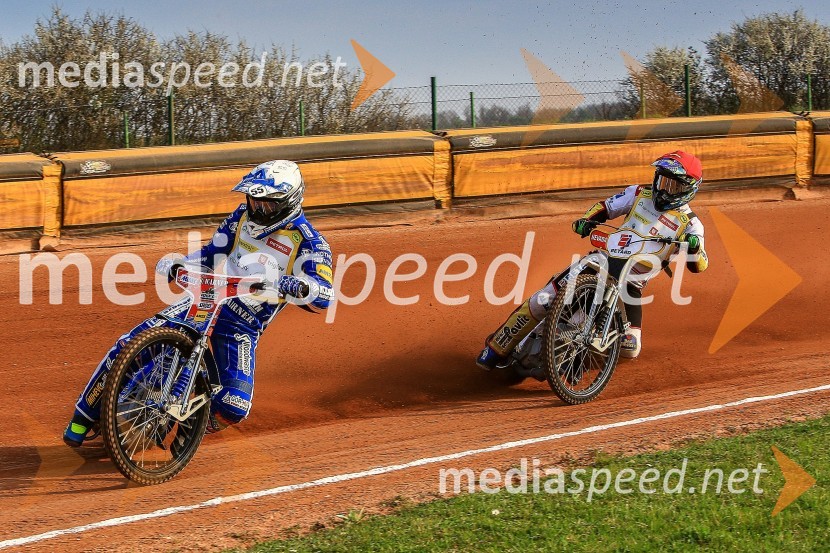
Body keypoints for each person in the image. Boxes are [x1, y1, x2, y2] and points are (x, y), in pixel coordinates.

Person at [63, 160, 335, 447]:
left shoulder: (310, 244)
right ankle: (80, 421)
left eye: (266, 204)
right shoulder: (242, 215)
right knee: (131, 343)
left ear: (288, 202)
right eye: (253, 201)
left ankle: (187, 432)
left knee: (233, 406)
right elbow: (211, 254)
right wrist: (181, 262)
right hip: (208, 299)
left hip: (242, 327)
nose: (257, 209)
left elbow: (326, 296)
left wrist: (303, 286)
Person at [476, 150, 709, 369]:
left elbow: (700, 264)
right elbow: (606, 207)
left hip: (631, 286)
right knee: (544, 299)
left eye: (673, 185)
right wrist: (586, 220)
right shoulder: (639, 193)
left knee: (631, 348)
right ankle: (496, 349)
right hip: (602, 262)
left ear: (688, 189)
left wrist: (695, 247)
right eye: (662, 181)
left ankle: (575, 366)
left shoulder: (691, 224)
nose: (664, 190)